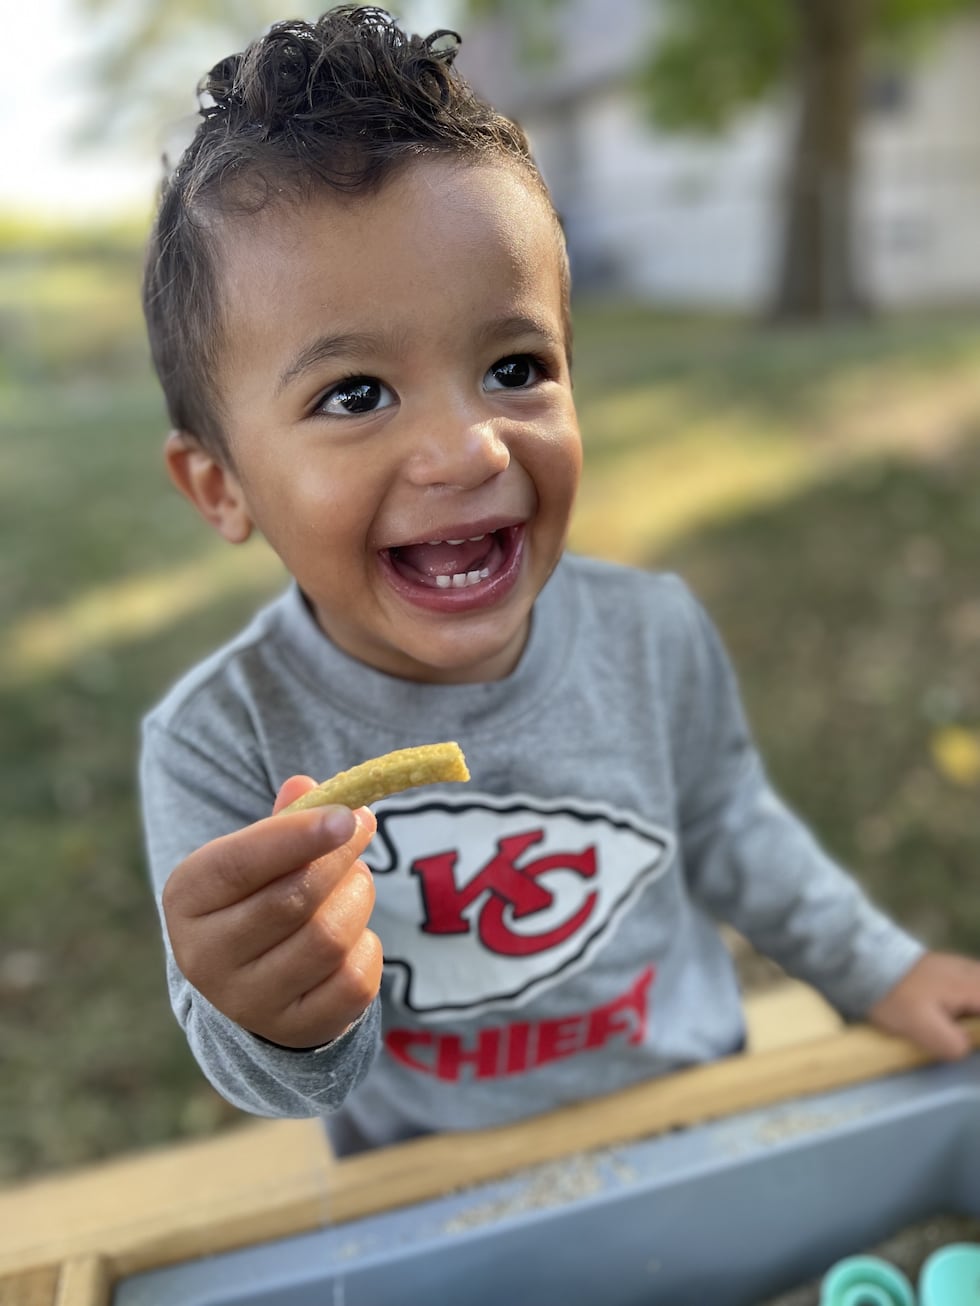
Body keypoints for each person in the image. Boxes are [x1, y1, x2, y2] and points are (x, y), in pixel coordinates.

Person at [140, 5, 980, 1158]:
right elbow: (289, 1084)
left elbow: (735, 829)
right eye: (354, 394)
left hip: (690, 1126)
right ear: (220, 485)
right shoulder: (216, 742)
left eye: (513, 366)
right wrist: (272, 1015)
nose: (471, 450)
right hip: (436, 1191)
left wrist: (878, 970)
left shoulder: (652, 634)